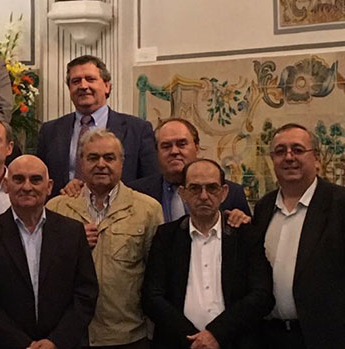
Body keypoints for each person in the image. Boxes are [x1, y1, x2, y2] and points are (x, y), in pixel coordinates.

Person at [0, 154, 98, 349]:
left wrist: (56, 341)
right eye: (18, 179)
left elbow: (86, 294)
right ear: (6, 185)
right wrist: (22, 344)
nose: (27, 187)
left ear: (49, 186)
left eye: (35, 179)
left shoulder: (72, 232)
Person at [46, 128, 162, 348]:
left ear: (121, 162)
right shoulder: (57, 208)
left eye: (109, 158)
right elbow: (43, 272)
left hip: (127, 335)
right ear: (81, 163)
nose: (101, 164)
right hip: (69, 335)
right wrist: (73, 245)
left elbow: (156, 277)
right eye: (93, 157)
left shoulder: (147, 209)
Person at [142, 159, 274, 349]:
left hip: (235, 342)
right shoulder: (166, 237)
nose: (204, 196)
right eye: (195, 188)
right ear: (183, 193)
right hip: (180, 343)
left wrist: (217, 334)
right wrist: (193, 339)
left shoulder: (246, 235)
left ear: (224, 193)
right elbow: (152, 297)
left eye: (212, 188)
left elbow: (262, 295)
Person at [253, 123, 345, 348]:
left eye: (297, 149)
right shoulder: (264, 208)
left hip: (326, 337)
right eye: (280, 151)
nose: (289, 157)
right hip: (270, 336)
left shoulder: (339, 204)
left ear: (317, 159)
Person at [36, 55, 158, 195]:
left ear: (107, 86)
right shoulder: (50, 131)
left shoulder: (138, 129)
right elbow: (41, 180)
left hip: (121, 213)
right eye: (76, 81)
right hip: (65, 210)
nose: (83, 86)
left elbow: (151, 181)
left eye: (90, 79)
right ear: (69, 88)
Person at [129, 118, 251, 222]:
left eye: (182, 144)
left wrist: (241, 220)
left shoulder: (232, 193)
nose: (174, 151)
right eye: (166, 146)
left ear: (196, 147)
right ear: (157, 152)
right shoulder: (136, 194)